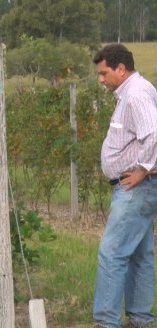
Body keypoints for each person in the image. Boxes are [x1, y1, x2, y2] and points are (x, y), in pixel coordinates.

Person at [92, 44, 157, 328]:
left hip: (135, 188)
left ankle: (106, 322)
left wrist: (143, 170)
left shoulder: (136, 94)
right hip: (138, 189)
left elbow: (154, 134)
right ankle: (140, 319)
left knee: (113, 253)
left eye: (104, 73)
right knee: (140, 255)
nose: (101, 79)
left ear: (121, 69)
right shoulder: (131, 93)